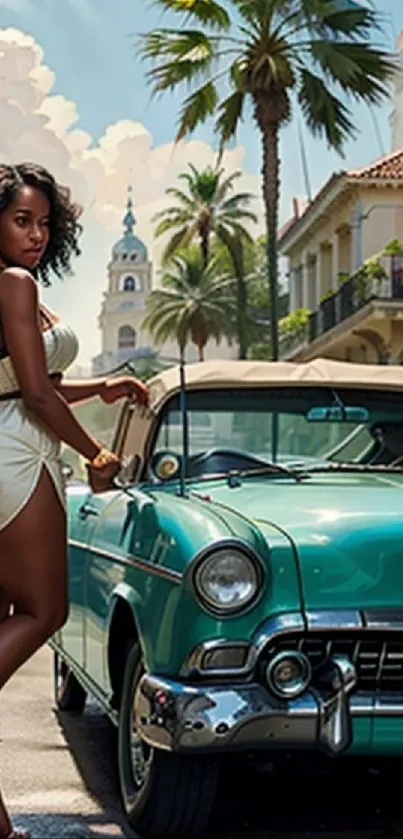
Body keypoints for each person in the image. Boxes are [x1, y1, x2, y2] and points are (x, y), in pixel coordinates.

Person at [0, 162, 149, 839]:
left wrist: (102, 388)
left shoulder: (11, 284)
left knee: (8, 618)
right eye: (20, 220)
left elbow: (29, 383)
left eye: (43, 222)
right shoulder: (14, 282)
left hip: (9, 436)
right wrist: (93, 453)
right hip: (19, 453)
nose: (35, 235)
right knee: (46, 609)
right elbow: (34, 394)